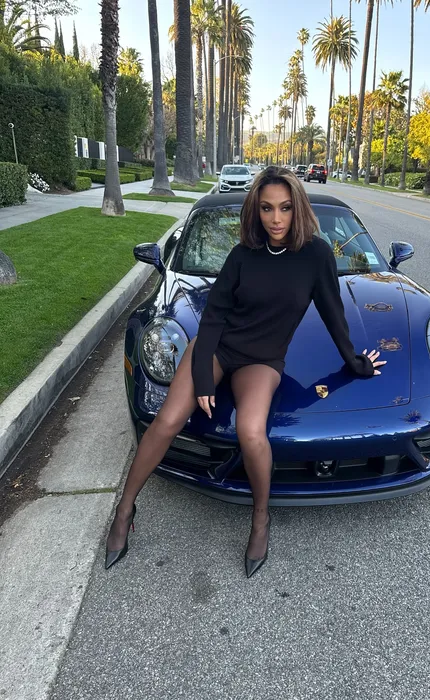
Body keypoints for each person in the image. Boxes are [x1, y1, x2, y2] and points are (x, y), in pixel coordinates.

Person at [105, 166, 387, 577]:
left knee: (251, 432)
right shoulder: (242, 255)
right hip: (218, 348)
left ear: (297, 208)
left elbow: (333, 314)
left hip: (263, 360)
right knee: (167, 420)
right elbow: (213, 318)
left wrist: (355, 361)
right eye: (267, 208)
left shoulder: (316, 255)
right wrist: (204, 379)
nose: (276, 218)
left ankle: (260, 518)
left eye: (285, 208)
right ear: (256, 210)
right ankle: (125, 509)